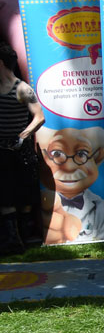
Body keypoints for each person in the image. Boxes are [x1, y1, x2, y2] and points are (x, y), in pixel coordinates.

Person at [0, 41, 44, 248]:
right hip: (1, 150)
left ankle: (25, 236)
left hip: (19, 150)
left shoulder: (22, 88)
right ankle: (11, 240)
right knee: (5, 196)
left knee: (24, 196)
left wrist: (22, 136)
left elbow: (39, 117)